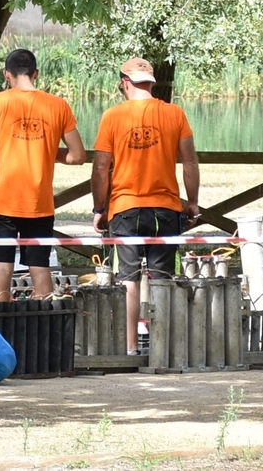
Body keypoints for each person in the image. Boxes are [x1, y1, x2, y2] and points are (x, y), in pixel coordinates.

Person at [91, 57, 201, 355]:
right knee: (162, 277)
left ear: (125, 83)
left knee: (128, 278)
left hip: (125, 208)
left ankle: (129, 347)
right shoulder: (175, 114)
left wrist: (99, 208)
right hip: (165, 208)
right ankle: (162, 348)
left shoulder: (112, 116)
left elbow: (101, 168)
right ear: (150, 83)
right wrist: (192, 203)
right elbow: (190, 163)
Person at [0, 49, 86, 301]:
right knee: (40, 268)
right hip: (38, 202)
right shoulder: (58, 105)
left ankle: (0, 320)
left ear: (7, 74)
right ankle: (43, 321)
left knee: (2, 269)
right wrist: (48, 151)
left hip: (2, 201)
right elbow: (78, 155)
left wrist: (0, 149)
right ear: (36, 73)